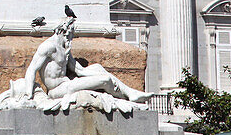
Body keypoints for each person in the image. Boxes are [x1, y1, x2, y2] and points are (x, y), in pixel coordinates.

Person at [23, 16, 152, 105]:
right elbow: (31, 69)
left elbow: (80, 70)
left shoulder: (64, 48)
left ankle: (130, 93)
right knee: (105, 80)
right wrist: (29, 95)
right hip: (57, 90)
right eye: (72, 32)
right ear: (64, 30)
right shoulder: (48, 46)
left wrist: (102, 73)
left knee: (98, 68)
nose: (73, 36)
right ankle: (127, 96)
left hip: (67, 84)